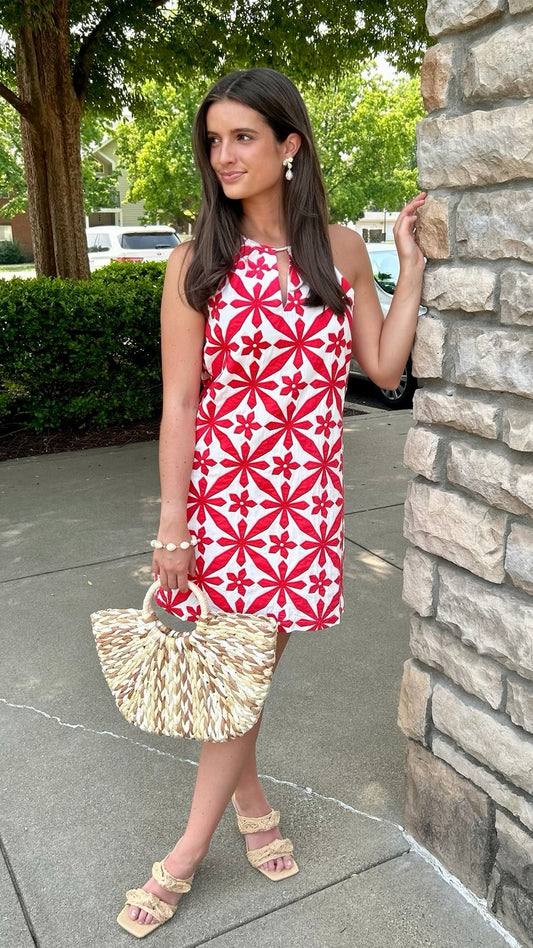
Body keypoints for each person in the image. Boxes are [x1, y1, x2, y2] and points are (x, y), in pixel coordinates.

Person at [117, 67, 426, 937]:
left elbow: (383, 367)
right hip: (222, 503)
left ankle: (244, 809)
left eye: (243, 137)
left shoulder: (339, 250)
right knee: (239, 678)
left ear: (289, 145)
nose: (223, 155)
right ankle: (190, 850)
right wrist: (171, 525)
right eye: (214, 140)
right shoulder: (195, 262)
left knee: (242, 678)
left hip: (302, 505)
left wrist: (408, 268)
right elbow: (180, 402)